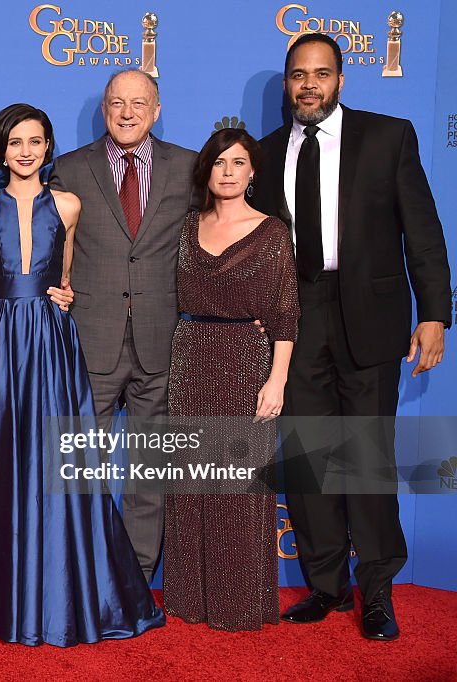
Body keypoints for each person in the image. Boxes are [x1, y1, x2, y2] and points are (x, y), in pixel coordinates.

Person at [251, 32, 451, 642]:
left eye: (321, 73)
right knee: (310, 455)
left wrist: (435, 313)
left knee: (366, 457)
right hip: (297, 317)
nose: (308, 84)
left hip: (371, 313)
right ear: (287, 83)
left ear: (341, 79)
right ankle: (327, 586)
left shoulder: (388, 136)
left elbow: (422, 229)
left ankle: (378, 589)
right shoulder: (259, 154)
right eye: (297, 75)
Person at [0, 103, 165, 646]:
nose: (25, 152)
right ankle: (12, 596)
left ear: (48, 147)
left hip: (53, 341)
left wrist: (65, 295)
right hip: (1, 342)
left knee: (64, 463)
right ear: (1, 150)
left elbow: (67, 275)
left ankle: (72, 592)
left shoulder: (70, 204)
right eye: (15, 143)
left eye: (35, 142)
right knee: (7, 462)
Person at [48, 70, 196, 581]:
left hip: (163, 338)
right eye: (116, 103)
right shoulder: (69, 170)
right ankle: (81, 574)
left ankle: (135, 575)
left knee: (149, 471)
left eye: (139, 103)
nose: (127, 113)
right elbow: (50, 249)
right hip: (91, 338)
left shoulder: (189, 168)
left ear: (157, 110)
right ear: (104, 110)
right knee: (80, 466)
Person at [163, 128, 298, 631]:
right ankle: (188, 598)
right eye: (219, 162)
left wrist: (276, 380)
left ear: (252, 172)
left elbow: (286, 313)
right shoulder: (185, 227)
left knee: (239, 488)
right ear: (207, 170)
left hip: (246, 361)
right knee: (191, 483)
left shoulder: (272, 232)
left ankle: (237, 603)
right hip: (191, 355)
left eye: (238, 163)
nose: (227, 171)